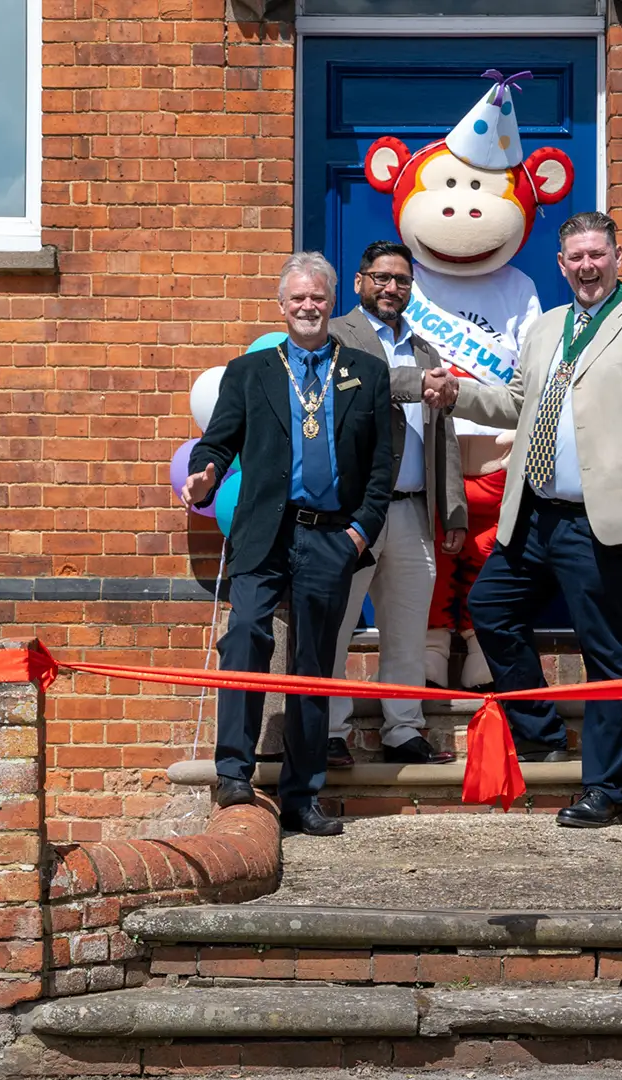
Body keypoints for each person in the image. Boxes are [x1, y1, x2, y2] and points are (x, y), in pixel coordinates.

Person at [423, 211, 622, 828]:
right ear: (561, 266)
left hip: (605, 518)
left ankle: (606, 790)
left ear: (617, 258)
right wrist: (458, 395)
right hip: (532, 511)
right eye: (575, 258)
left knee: (608, 653)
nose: (587, 267)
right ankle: (539, 729)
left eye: (597, 255)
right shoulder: (546, 329)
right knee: (491, 608)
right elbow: (515, 402)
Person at [182, 252, 395, 837]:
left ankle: (303, 796)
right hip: (264, 536)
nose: (308, 306)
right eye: (297, 298)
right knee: (246, 636)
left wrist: (359, 533)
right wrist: (202, 473)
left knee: (312, 668)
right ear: (282, 306)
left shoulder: (364, 372)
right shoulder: (249, 372)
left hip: (331, 539)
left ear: (332, 303)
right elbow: (218, 442)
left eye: (318, 297)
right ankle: (234, 773)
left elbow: (382, 466)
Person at [323, 241, 466, 768]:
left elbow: (442, 437)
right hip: (354, 512)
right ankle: (330, 732)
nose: (391, 288)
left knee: (406, 629)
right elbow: (353, 385)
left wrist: (451, 510)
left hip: (411, 511)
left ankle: (403, 730)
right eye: (381, 278)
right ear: (360, 281)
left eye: (402, 281)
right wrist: (412, 384)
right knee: (335, 626)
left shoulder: (425, 349)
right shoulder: (337, 335)